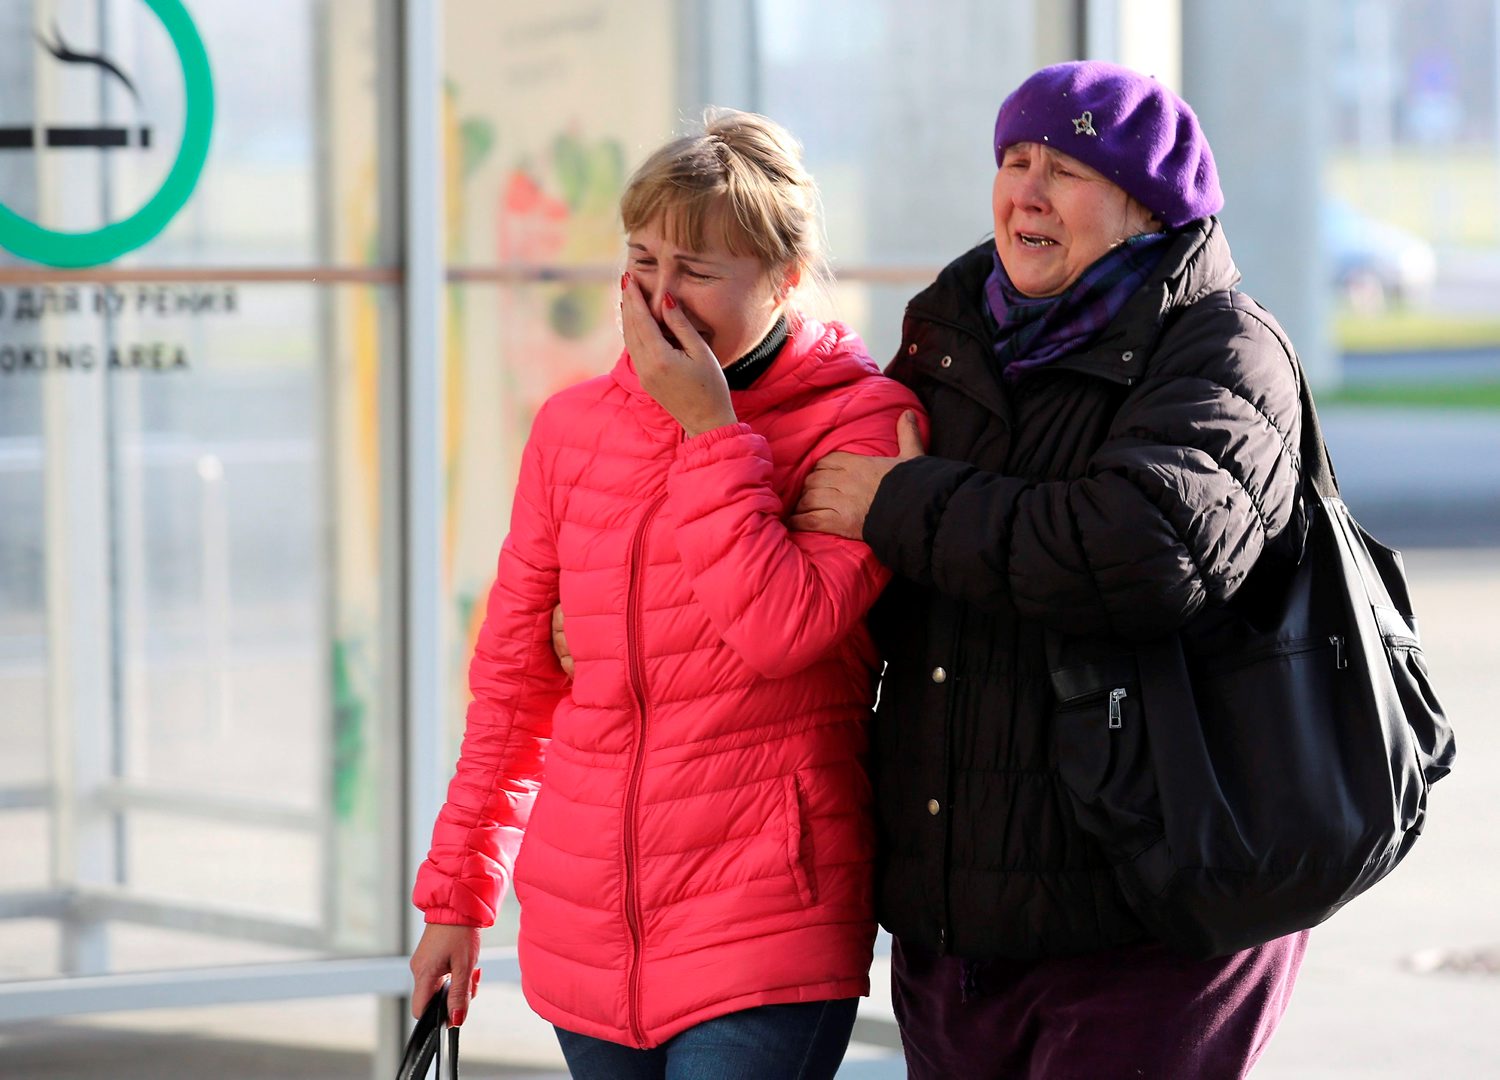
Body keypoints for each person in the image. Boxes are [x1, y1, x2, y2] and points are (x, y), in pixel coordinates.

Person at [791, 61, 1310, 1079]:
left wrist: (903, 503)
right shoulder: (949, 336)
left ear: (1146, 206)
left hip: (1151, 924)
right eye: (1015, 158)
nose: (1025, 189)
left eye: (1067, 167)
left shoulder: (1223, 351)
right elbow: (848, 543)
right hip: (960, 931)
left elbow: (1144, 549)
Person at [407, 108, 922, 1080]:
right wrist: (458, 897)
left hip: (767, 920)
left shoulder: (866, 424)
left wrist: (709, 432)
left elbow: (779, 629)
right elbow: (514, 682)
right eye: (643, 259)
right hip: (586, 929)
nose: (658, 294)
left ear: (783, 278)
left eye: (696, 269)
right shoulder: (572, 429)